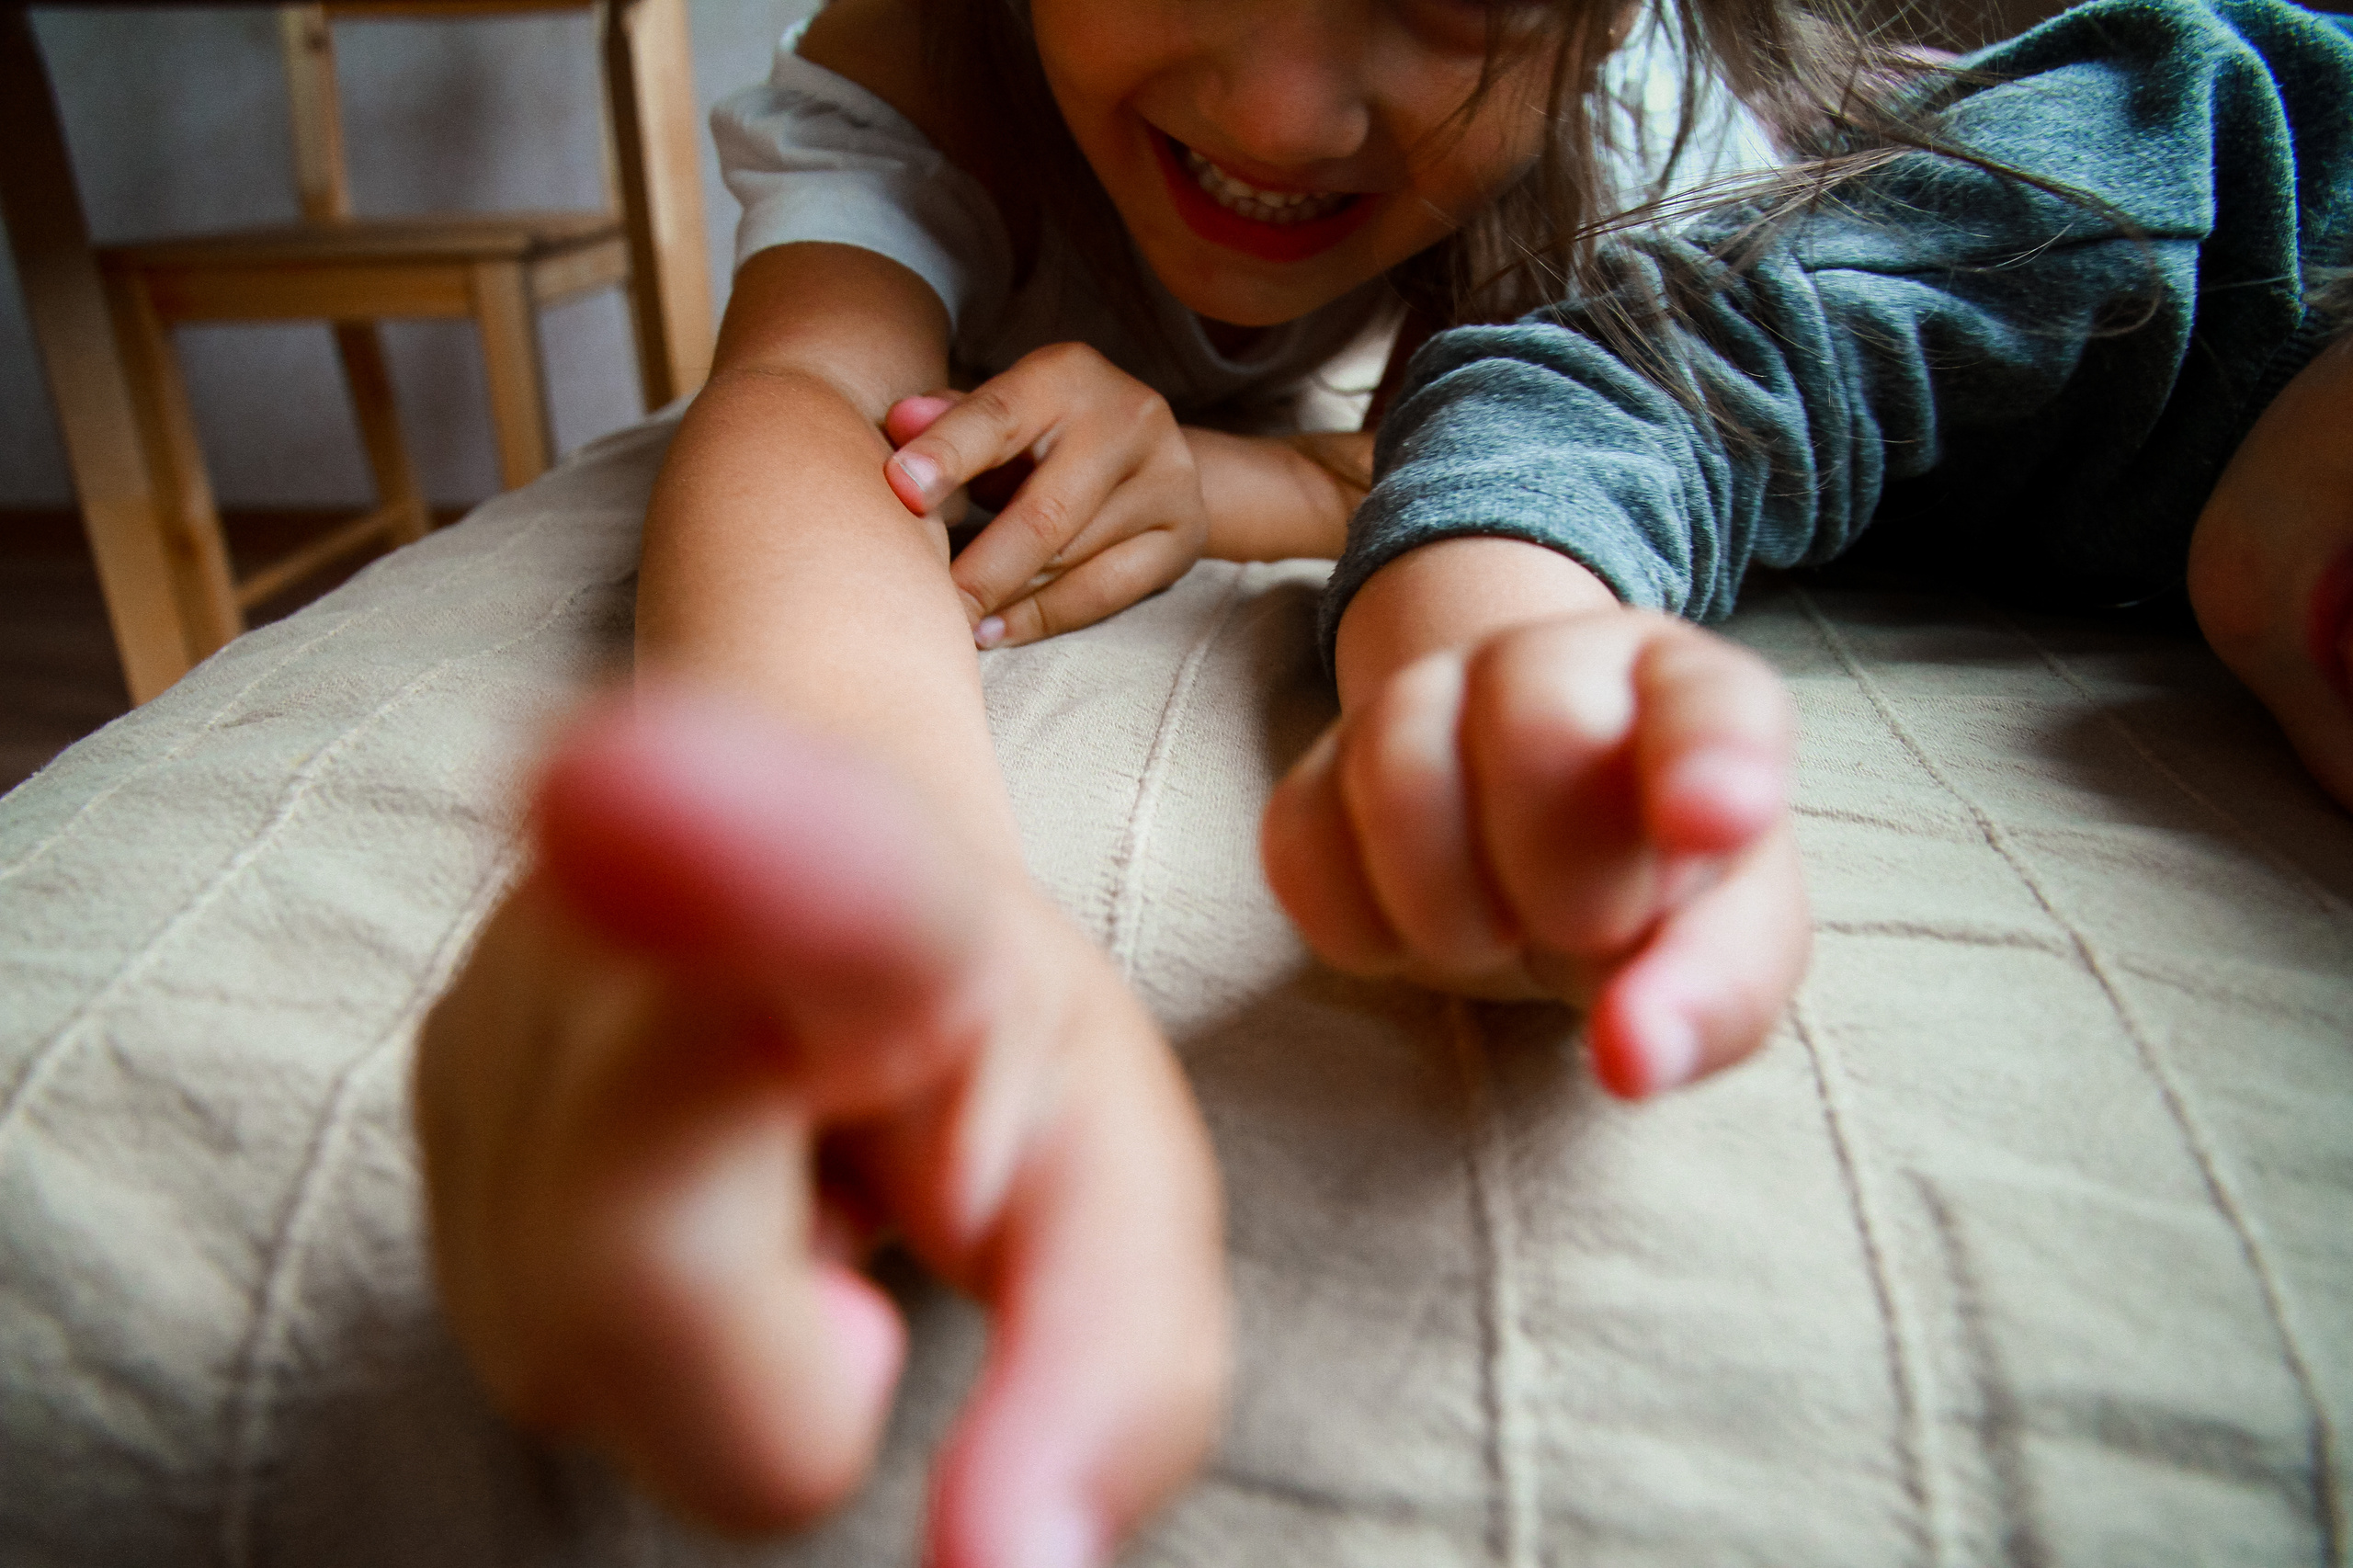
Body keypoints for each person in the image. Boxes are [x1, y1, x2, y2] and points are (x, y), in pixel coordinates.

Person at [408, 0, 1954, 1563]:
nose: (1279, 118)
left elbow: (1537, 437)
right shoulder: (926, 59)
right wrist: (881, 882)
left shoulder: (1638, 128)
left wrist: (1234, 480)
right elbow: (813, 393)